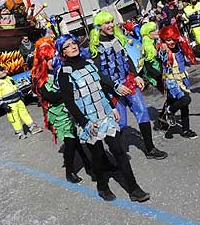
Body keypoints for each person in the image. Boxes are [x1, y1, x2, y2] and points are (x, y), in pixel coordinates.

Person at [55, 34, 150, 202]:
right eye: (67, 46)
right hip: (88, 121)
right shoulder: (64, 73)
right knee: (97, 155)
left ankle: (134, 189)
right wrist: (85, 123)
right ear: (62, 52)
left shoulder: (90, 63)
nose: (73, 47)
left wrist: (112, 106)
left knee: (119, 151)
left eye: (74, 43)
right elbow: (69, 102)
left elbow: (102, 84)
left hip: (105, 114)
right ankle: (102, 186)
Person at [89, 11, 167, 160]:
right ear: (99, 26)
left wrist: (136, 75)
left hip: (128, 82)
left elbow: (126, 60)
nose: (111, 25)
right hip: (111, 88)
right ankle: (117, 153)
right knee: (121, 122)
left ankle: (150, 149)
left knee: (142, 111)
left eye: (111, 22)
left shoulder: (117, 40)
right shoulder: (96, 46)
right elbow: (97, 73)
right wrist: (115, 85)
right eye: (106, 23)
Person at [31, 41, 91, 183]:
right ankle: (69, 172)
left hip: (71, 109)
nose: (53, 60)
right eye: (49, 59)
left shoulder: (61, 71)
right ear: (43, 61)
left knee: (78, 138)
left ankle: (88, 163)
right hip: (59, 115)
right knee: (70, 142)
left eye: (54, 57)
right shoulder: (40, 78)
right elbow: (51, 96)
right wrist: (67, 91)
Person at [157, 25, 198, 139]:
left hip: (182, 79)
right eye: (168, 39)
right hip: (171, 83)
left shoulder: (180, 46)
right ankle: (169, 112)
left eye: (173, 39)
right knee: (185, 100)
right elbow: (159, 53)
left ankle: (185, 130)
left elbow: (192, 53)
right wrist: (162, 47)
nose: (171, 42)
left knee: (183, 105)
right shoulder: (163, 49)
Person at [0, 66, 42, 139]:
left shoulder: (9, 78)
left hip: (19, 101)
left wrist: (21, 95)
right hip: (10, 105)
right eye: (2, 71)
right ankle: (20, 133)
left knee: (25, 114)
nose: (4, 72)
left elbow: (16, 87)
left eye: (3, 70)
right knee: (15, 119)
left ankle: (33, 128)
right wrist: (4, 106)